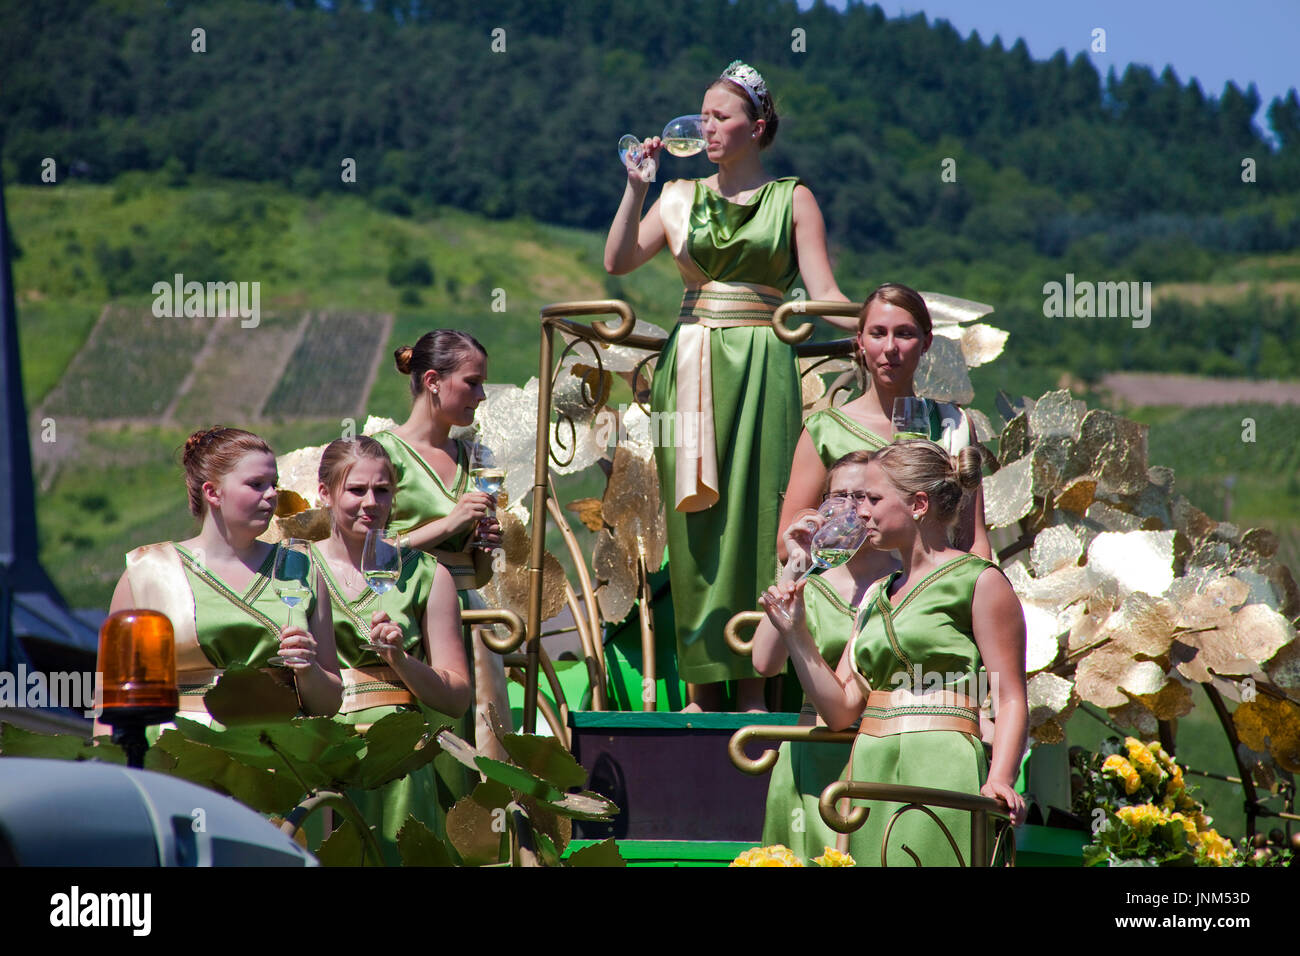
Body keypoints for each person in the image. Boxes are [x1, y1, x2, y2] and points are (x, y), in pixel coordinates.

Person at [604, 60, 852, 712]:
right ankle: (701, 686)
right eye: (703, 116)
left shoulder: (792, 199)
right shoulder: (679, 195)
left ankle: (755, 687)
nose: (707, 127)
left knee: (762, 515)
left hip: (766, 365)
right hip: (691, 367)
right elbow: (619, 261)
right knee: (696, 524)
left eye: (721, 116)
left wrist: (882, 322)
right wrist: (638, 188)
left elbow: (823, 294)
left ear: (758, 126)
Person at [761, 440, 1027, 866]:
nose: (859, 511)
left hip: (942, 762)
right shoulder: (875, 596)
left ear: (918, 504)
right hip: (869, 768)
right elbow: (842, 710)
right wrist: (795, 634)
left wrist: (1001, 778)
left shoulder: (978, 581)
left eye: (872, 499)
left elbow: (1011, 694)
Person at [106, 427, 342, 720]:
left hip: (278, 752)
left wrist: (308, 669)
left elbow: (330, 705)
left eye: (273, 484)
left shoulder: (302, 568)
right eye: (256, 484)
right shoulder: (147, 573)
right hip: (182, 751)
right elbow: (113, 698)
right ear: (212, 492)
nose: (272, 495)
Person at [309, 437, 470, 860]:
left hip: (398, 759)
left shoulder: (425, 575)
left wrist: (400, 661)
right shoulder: (296, 570)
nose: (371, 503)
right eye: (356, 490)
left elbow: (456, 698)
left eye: (382, 490)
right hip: (321, 750)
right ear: (325, 493)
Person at [778, 282, 991, 563]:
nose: (890, 347)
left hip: (935, 591)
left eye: (904, 334)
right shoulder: (824, 431)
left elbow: (972, 539)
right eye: (878, 333)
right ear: (861, 341)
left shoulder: (954, 424)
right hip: (853, 597)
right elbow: (786, 547)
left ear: (926, 342)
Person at [371, 329, 508, 756]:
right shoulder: (382, 455)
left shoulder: (477, 455)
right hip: (410, 617)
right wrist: (451, 523)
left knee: (484, 747)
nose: (481, 394)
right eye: (472, 382)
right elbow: (369, 554)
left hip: (472, 616)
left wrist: (485, 544)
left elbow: (480, 572)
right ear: (433, 380)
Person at [751, 451, 884, 859]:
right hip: (810, 751)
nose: (848, 509)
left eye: (861, 496)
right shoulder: (812, 580)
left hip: (878, 750)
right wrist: (793, 566)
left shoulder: (900, 578)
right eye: (837, 496)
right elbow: (764, 663)